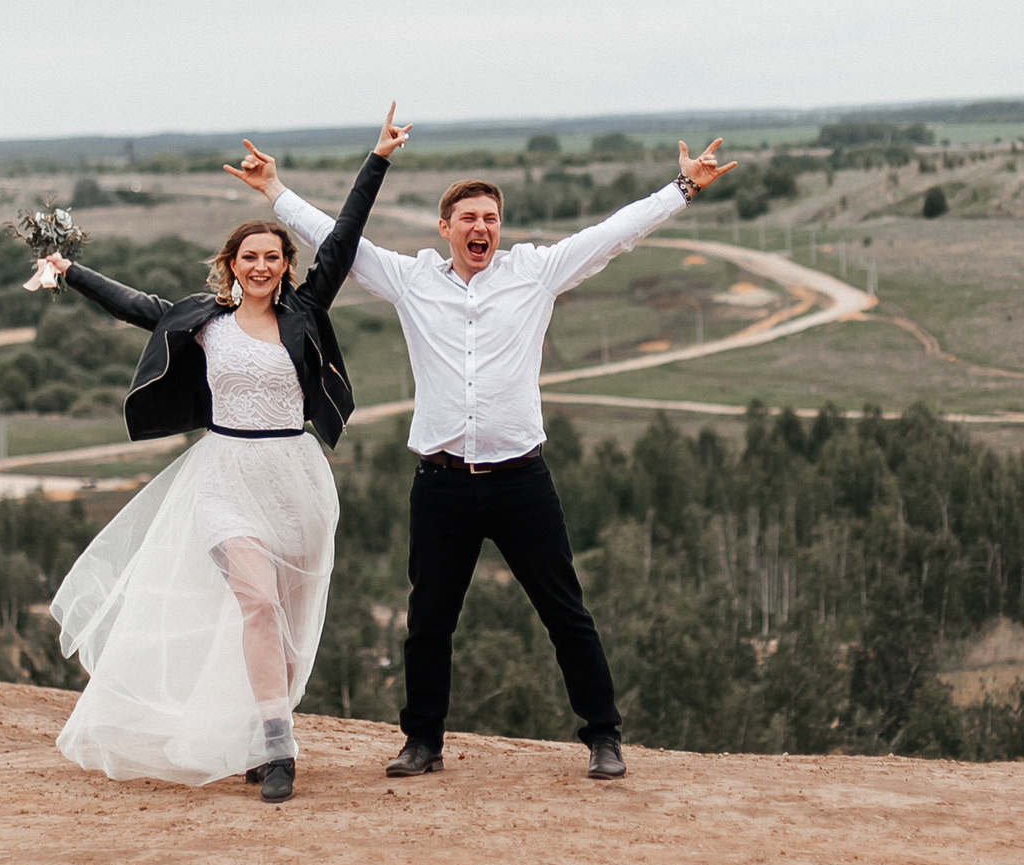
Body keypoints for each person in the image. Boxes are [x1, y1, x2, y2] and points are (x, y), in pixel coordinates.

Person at [239, 133, 735, 780]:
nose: (482, 227)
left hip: (520, 479)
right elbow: (340, 241)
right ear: (445, 228)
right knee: (429, 621)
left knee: (566, 613)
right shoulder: (411, 280)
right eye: (469, 218)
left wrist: (683, 187)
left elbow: (614, 234)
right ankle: (422, 742)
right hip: (441, 482)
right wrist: (275, 191)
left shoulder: (536, 272)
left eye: (491, 218)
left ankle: (603, 737)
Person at [42, 105, 409, 803]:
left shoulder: (306, 312)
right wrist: (69, 270)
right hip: (223, 476)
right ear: (232, 266)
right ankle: (278, 749)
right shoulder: (205, 321)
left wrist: (378, 159)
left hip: (294, 478)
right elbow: (134, 304)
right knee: (258, 604)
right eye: (249, 257)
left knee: (290, 624)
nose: (262, 266)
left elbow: (345, 237)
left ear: (286, 265)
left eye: (273, 257)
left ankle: (262, 727)